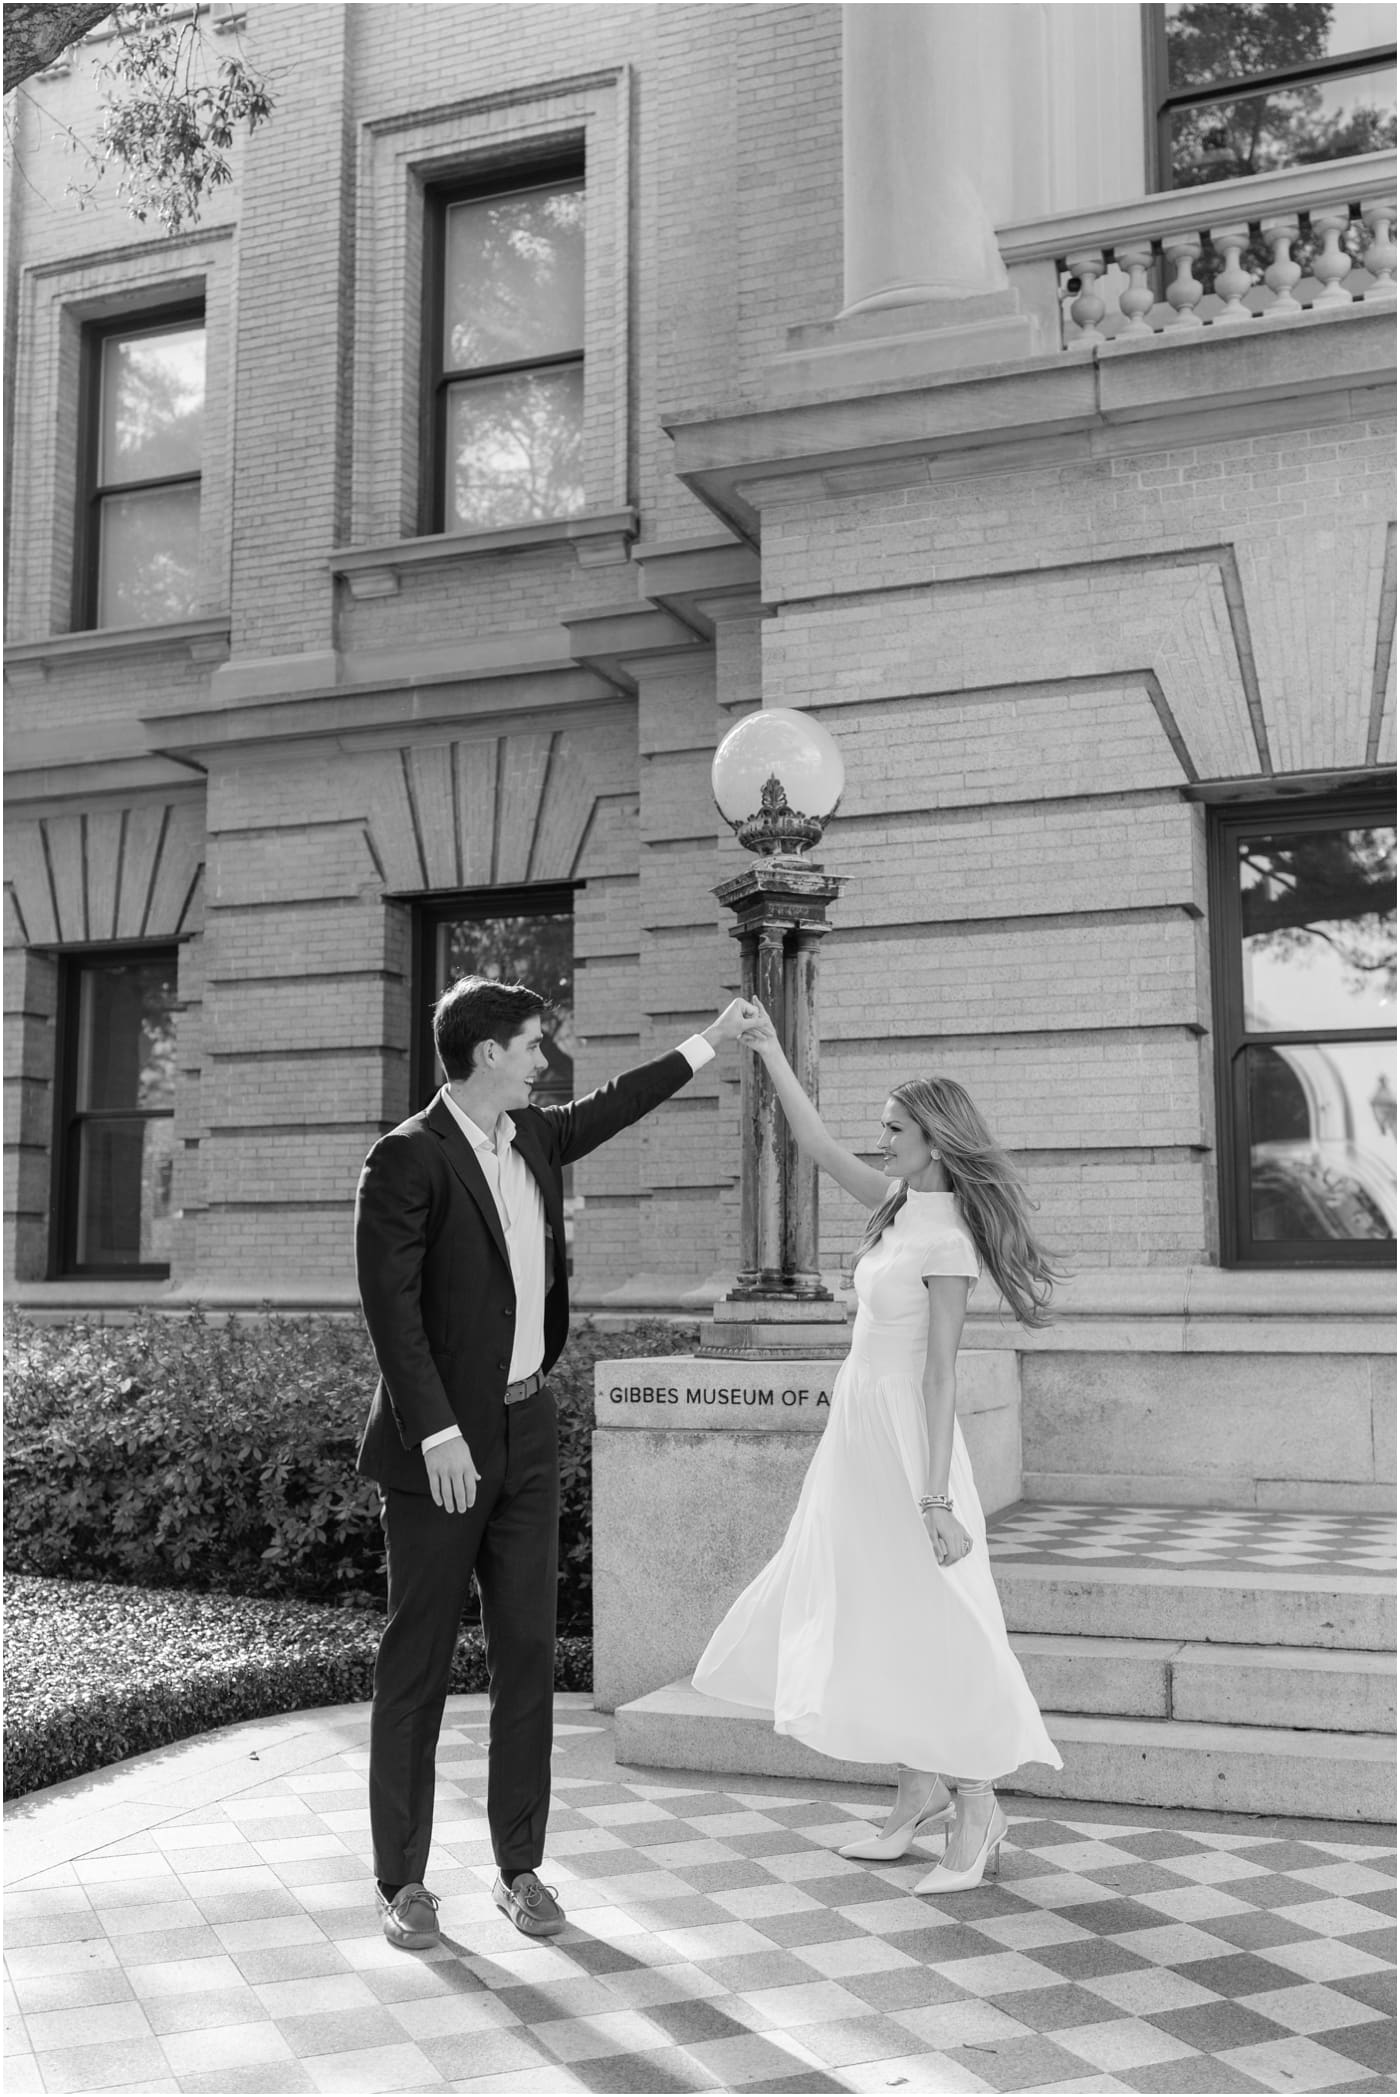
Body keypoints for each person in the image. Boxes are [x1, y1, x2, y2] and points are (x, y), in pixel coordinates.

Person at [355, 978, 755, 1949]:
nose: (546, 1062)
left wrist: (708, 1043)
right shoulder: (406, 1159)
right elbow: (390, 1311)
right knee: (417, 1665)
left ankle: (518, 1868)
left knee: (527, 1656)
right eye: (534, 1045)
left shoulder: (531, 1138)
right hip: (442, 1450)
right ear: (488, 1053)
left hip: (528, 1429)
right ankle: (400, 1883)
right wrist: (439, 1433)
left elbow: (610, 1107)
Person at [694, 1002, 1063, 1893]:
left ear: (934, 1138)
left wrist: (935, 1500)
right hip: (855, 1431)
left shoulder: (946, 1241)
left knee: (937, 1616)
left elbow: (941, 1377)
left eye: (895, 1127)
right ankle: (915, 1796)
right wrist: (771, 1049)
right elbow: (815, 1145)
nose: (882, 1137)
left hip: (910, 1444)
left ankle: (976, 1806)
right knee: (873, 1605)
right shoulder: (898, 1206)